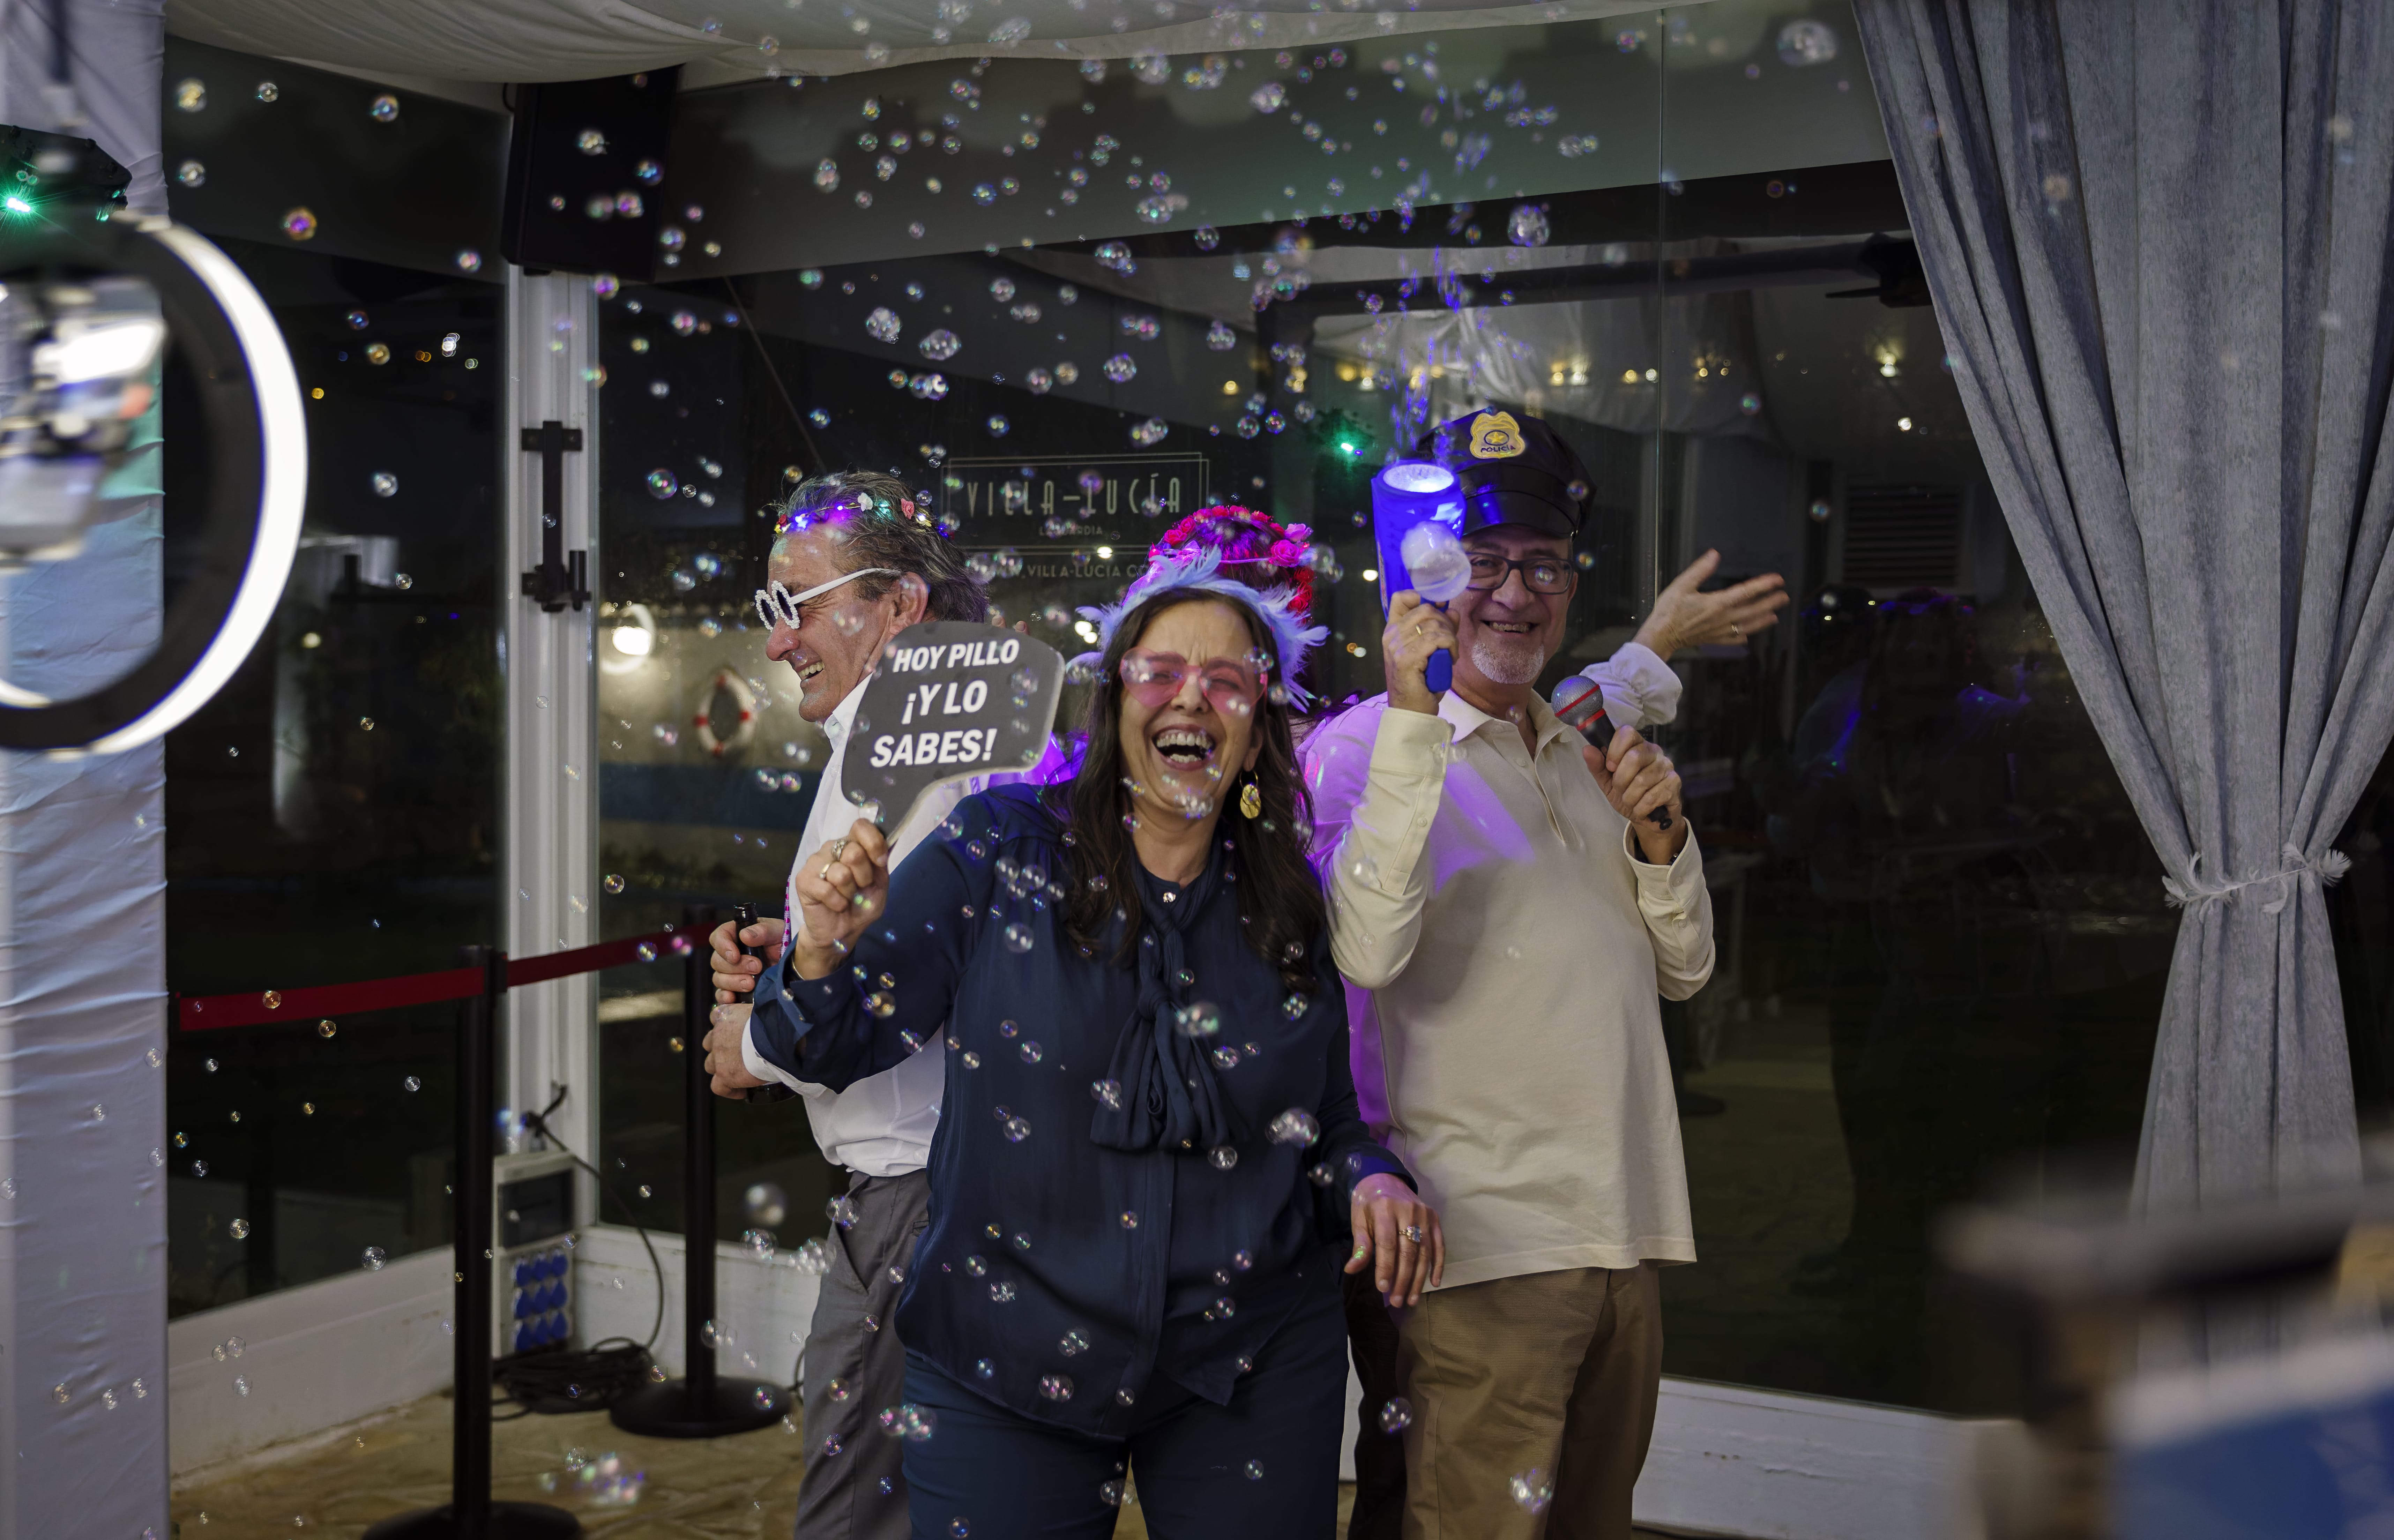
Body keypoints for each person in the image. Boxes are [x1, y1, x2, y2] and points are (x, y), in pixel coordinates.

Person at [703, 545, 1444, 1540]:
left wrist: (1371, 1179)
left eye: (1228, 680)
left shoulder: (1289, 901)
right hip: (1003, 1360)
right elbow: (830, 1041)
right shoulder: (996, 847)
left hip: (1249, 1365)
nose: (1194, 698)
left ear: (1259, 720)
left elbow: (1327, 1129)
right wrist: (825, 949)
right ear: (1113, 699)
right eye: (1162, 672)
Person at [1304, 409, 1720, 1540]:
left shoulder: (1582, 749)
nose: (1514, 594)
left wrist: (1661, 840)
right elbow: (1367, 953)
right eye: (1483, 564)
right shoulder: (1361, 749)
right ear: (1428, 581)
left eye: (1543, 566)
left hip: (1622, 1227)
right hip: (1479, 1241)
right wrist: (1407, 713)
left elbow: (1686, 972)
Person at [708, 469, 1000, 1540]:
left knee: (853, 1513)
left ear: (900, 606)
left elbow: (893, 1001)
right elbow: (898, 947)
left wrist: (754, 1044)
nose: (776, 641)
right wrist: (789, 960)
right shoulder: (893, 748)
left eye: (798, 606)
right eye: (767, 611)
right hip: (914, 1186)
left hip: (915, 1192)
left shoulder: (916, 763)